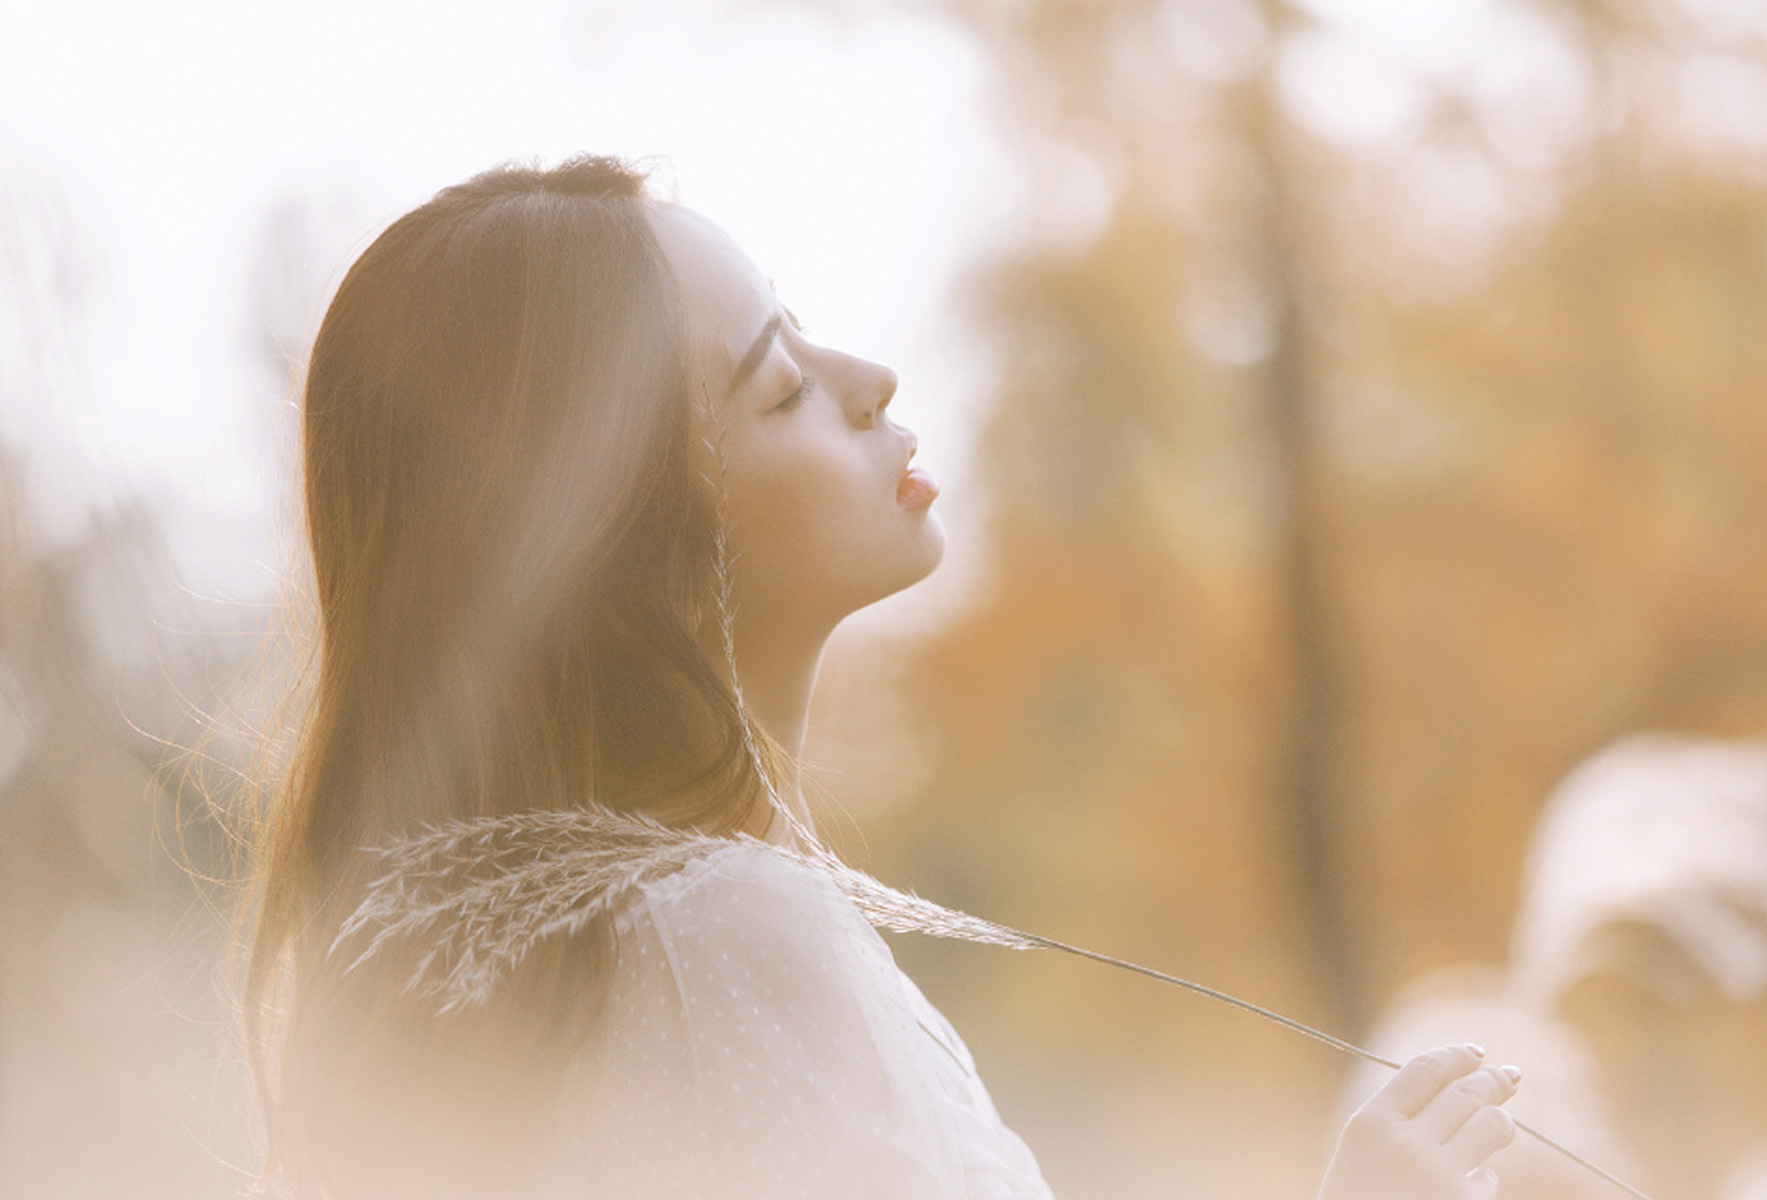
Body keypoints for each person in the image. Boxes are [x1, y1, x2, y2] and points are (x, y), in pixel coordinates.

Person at [242, 155, 1519, 1199]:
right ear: (617, 530)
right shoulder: (721, 939)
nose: (871, 383)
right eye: (782, 387)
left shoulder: (498, 964)